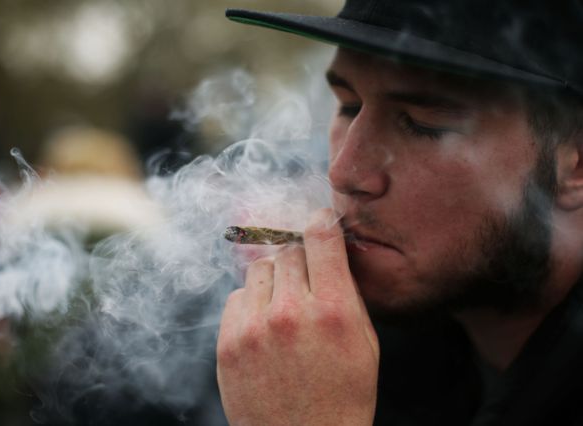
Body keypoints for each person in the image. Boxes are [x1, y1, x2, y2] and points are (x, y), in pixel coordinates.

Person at [216, 1, 583, 425]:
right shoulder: (358, 355)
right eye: (349, 106)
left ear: (575, 166)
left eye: (423, 123)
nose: (344, 172)